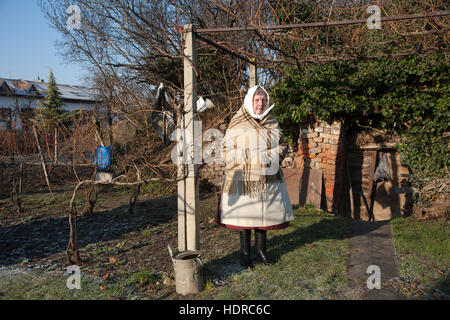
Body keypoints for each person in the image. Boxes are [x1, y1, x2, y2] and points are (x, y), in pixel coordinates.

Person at [217, 85, 294, 269]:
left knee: (263, 216)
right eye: (257, 100)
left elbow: (283, 146)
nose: (260, 104)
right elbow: (226, 150)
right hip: (243, 178)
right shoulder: (237, 123)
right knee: (246, 217)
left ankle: (261, 251)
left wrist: (268, 157)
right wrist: (248, 157)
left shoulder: (272, 121)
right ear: (250, 101)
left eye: (263, 100)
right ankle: (245, 254)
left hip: (268, 177)